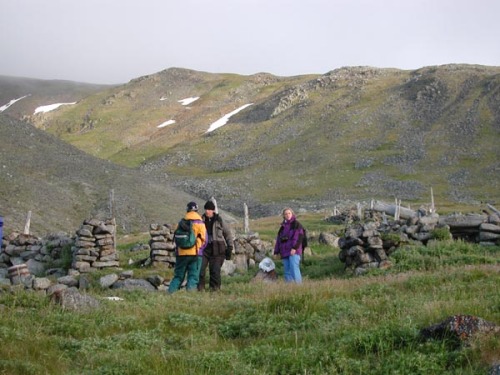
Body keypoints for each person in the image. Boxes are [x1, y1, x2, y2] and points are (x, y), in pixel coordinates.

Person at [168, 201, 207, 293]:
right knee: (193, 277)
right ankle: (190, 297)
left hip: (181, 253)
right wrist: (200, 249)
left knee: (178, 276)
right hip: (195, 254)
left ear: (187, 210)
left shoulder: (181, 222)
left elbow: (176, 238)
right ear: (197, 210)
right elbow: (205, 240)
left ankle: (170, 294)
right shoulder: (200, 223)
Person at [197, 200, 234, 292]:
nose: (207, 211)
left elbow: (228, 234)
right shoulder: (201, 220)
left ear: (213, 210)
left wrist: (230, 247)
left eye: (209, 209)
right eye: (206, 209)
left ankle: (215, 290)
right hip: (204, 249)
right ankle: (200, 289)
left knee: (215, 271)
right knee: (200, 270)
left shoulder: (220, 221)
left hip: (218, 249)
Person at [274, 207, 304, 283]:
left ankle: (299, 287)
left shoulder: (297, 224)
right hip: (284, 251)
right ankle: (289, 288)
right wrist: (276, 252)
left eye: (289, 213)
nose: (287, 215)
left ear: (292, 214)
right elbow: (278, 240)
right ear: (283, 216)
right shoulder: (282, 228)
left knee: (294, 268)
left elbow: (299, 237)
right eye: (286, 214)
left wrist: (294, 248)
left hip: (294, 251)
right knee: (287, 270)